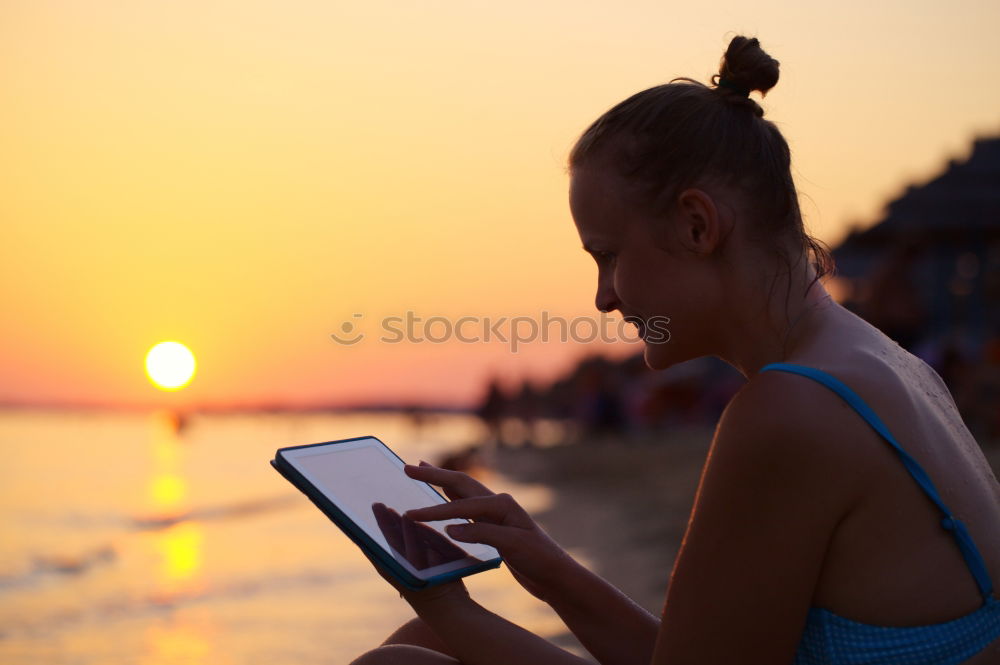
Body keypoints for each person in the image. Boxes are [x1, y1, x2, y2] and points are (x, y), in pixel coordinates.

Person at [350, 36, 1000, 664]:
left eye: (607, 256)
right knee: (430, 641)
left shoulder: (791, 410)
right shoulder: (881, 361)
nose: (603, 297)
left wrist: (449, 605)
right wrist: (548, 566)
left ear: (698, 225)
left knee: (408, 656)